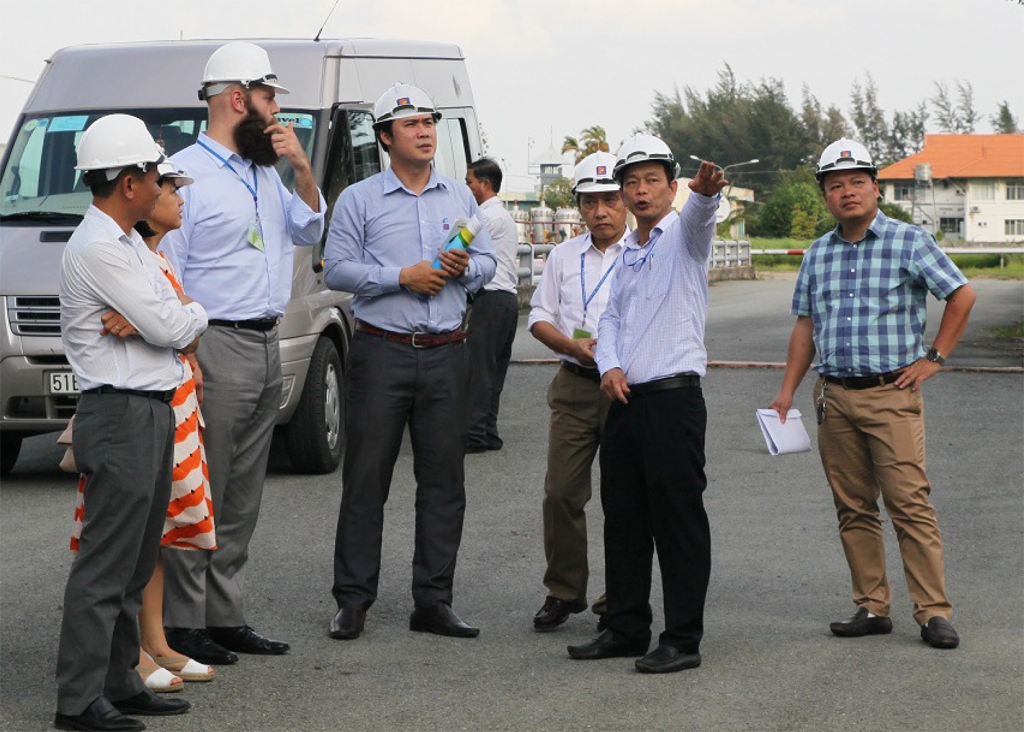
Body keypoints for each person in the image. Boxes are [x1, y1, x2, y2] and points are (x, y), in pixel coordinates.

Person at [769, 138, 975, 650]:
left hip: (891, 395)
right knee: (853, 506)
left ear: (875, 188)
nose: (848, 192)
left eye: (857, 182)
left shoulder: (909, 241)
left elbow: (961, 294)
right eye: (835, 186)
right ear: (825, 196)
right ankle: (871, 604)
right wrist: (787, 390)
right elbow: (805, 326)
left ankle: (932, 612)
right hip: (834, 397)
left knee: (909, 504)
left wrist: (934, 359)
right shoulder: (818, 253)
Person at [160, 41, 325, 664]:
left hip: (265, 340)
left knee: (243, 493)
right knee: (203, 487)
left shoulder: (265, 174)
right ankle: (181, 623)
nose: (278, 108)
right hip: (215, 343)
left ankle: (222, 615)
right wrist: (188, 351)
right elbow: (167, 273)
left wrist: (303, 170)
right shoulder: (183, 175)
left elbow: (310, 229)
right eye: (270, 96)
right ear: (238, 98)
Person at [323, 82, 496, 641]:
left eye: (429, 122)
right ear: (384, 138)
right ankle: (353, 601)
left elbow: (489, 263)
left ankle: (434, 601)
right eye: (411, 125)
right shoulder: (358, 199)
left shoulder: (459, 198)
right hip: (381, 353)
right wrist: (402, 276)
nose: (424, 132)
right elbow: (338, 270)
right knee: (366, 480)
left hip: (448, 352)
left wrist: (462, 268)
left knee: (444, 482)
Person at [55, 114, 207, 732]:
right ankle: (79, 700)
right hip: (119, 411)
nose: (158, 182)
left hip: (144, 409)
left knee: (135, 560)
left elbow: (177, 313)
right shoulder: (99, 248)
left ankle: (118, 680)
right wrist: (174, 318)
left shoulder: (126, 245)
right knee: (106, 564)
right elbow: (175, 326)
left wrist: (174, 316)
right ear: (127, 182)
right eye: (152, 172)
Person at [567, 133, 726, 674]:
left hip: (672, 400)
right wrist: (608, 365)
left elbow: (702, 217)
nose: (639, 191)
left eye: (651, 180)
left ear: (671, 186)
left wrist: (704, 195)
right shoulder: (629, 250)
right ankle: (627, 626)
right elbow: (609, 319)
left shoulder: (683, 235)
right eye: (630, 182)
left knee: (678, 522)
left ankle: (682, 638)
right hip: (627, 402)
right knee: (625, 520)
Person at [528, 151, 628, 631]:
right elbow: (538, 317)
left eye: (610, 199)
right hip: (574, 384)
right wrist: (573, 346)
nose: (600, 211)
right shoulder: (564, 256)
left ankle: (620, 598)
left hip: (629, 387)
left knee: (625, 496)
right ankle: (564, 591)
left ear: (627, 199)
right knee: (561, 493)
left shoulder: (644, 252)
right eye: (590, 202)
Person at [463, 157, 520, 453]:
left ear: (485, 185)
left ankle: (473, 436)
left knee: (479, 369)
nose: (466, 186)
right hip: (507, 301)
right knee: (495, 370)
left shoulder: (484, 217)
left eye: (469, 182)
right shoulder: (504, 215)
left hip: (490, 299)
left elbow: (455, 244)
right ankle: (488, 432)